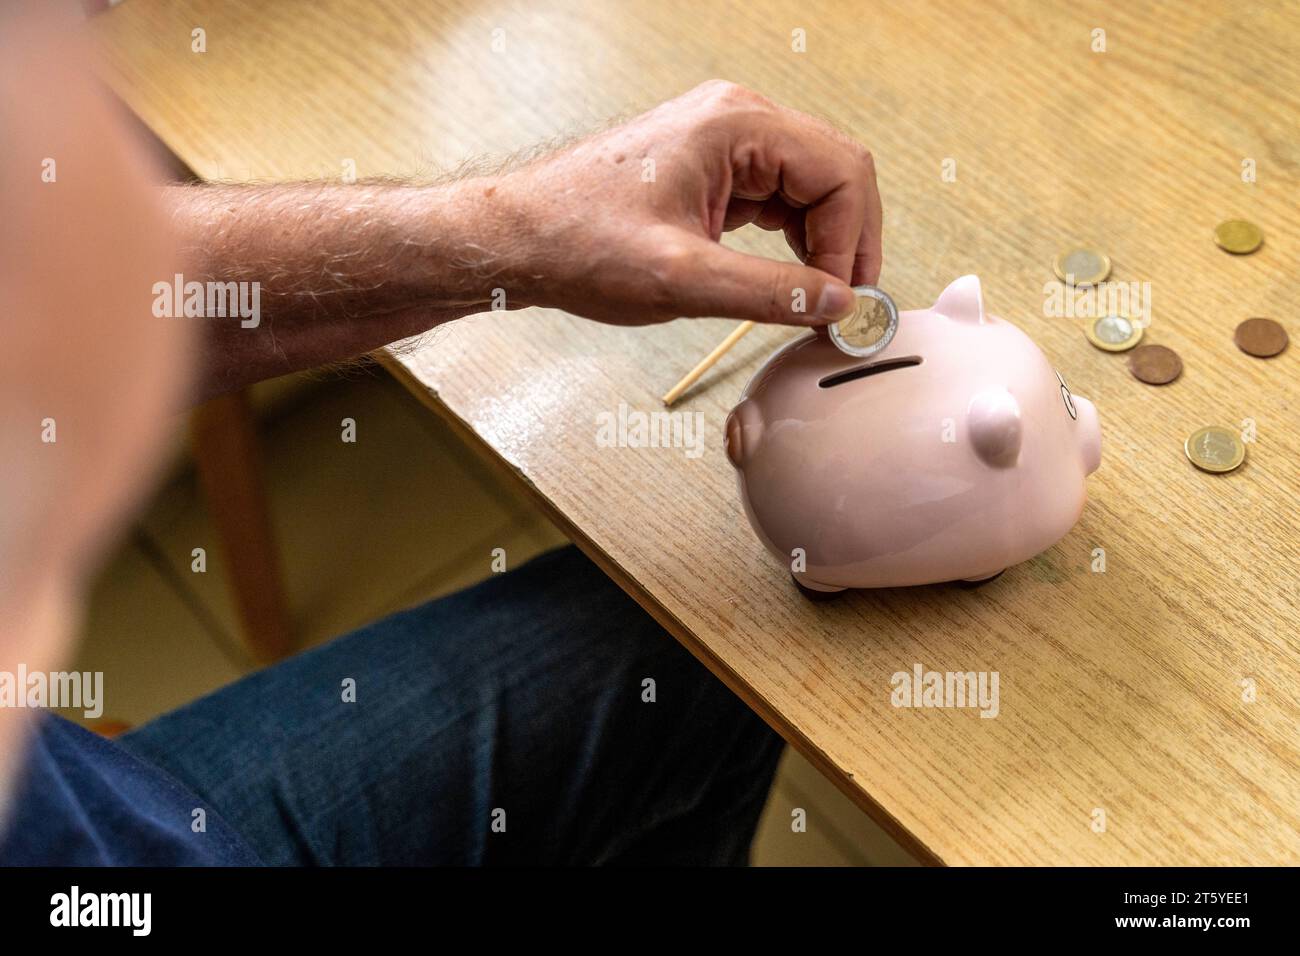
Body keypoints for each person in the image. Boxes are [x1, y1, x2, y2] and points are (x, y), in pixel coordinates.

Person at [0, 5, 882, 864]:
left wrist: (518, 230)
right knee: (723, 650)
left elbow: (88, 298)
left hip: (96, 800)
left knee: (699, 655)